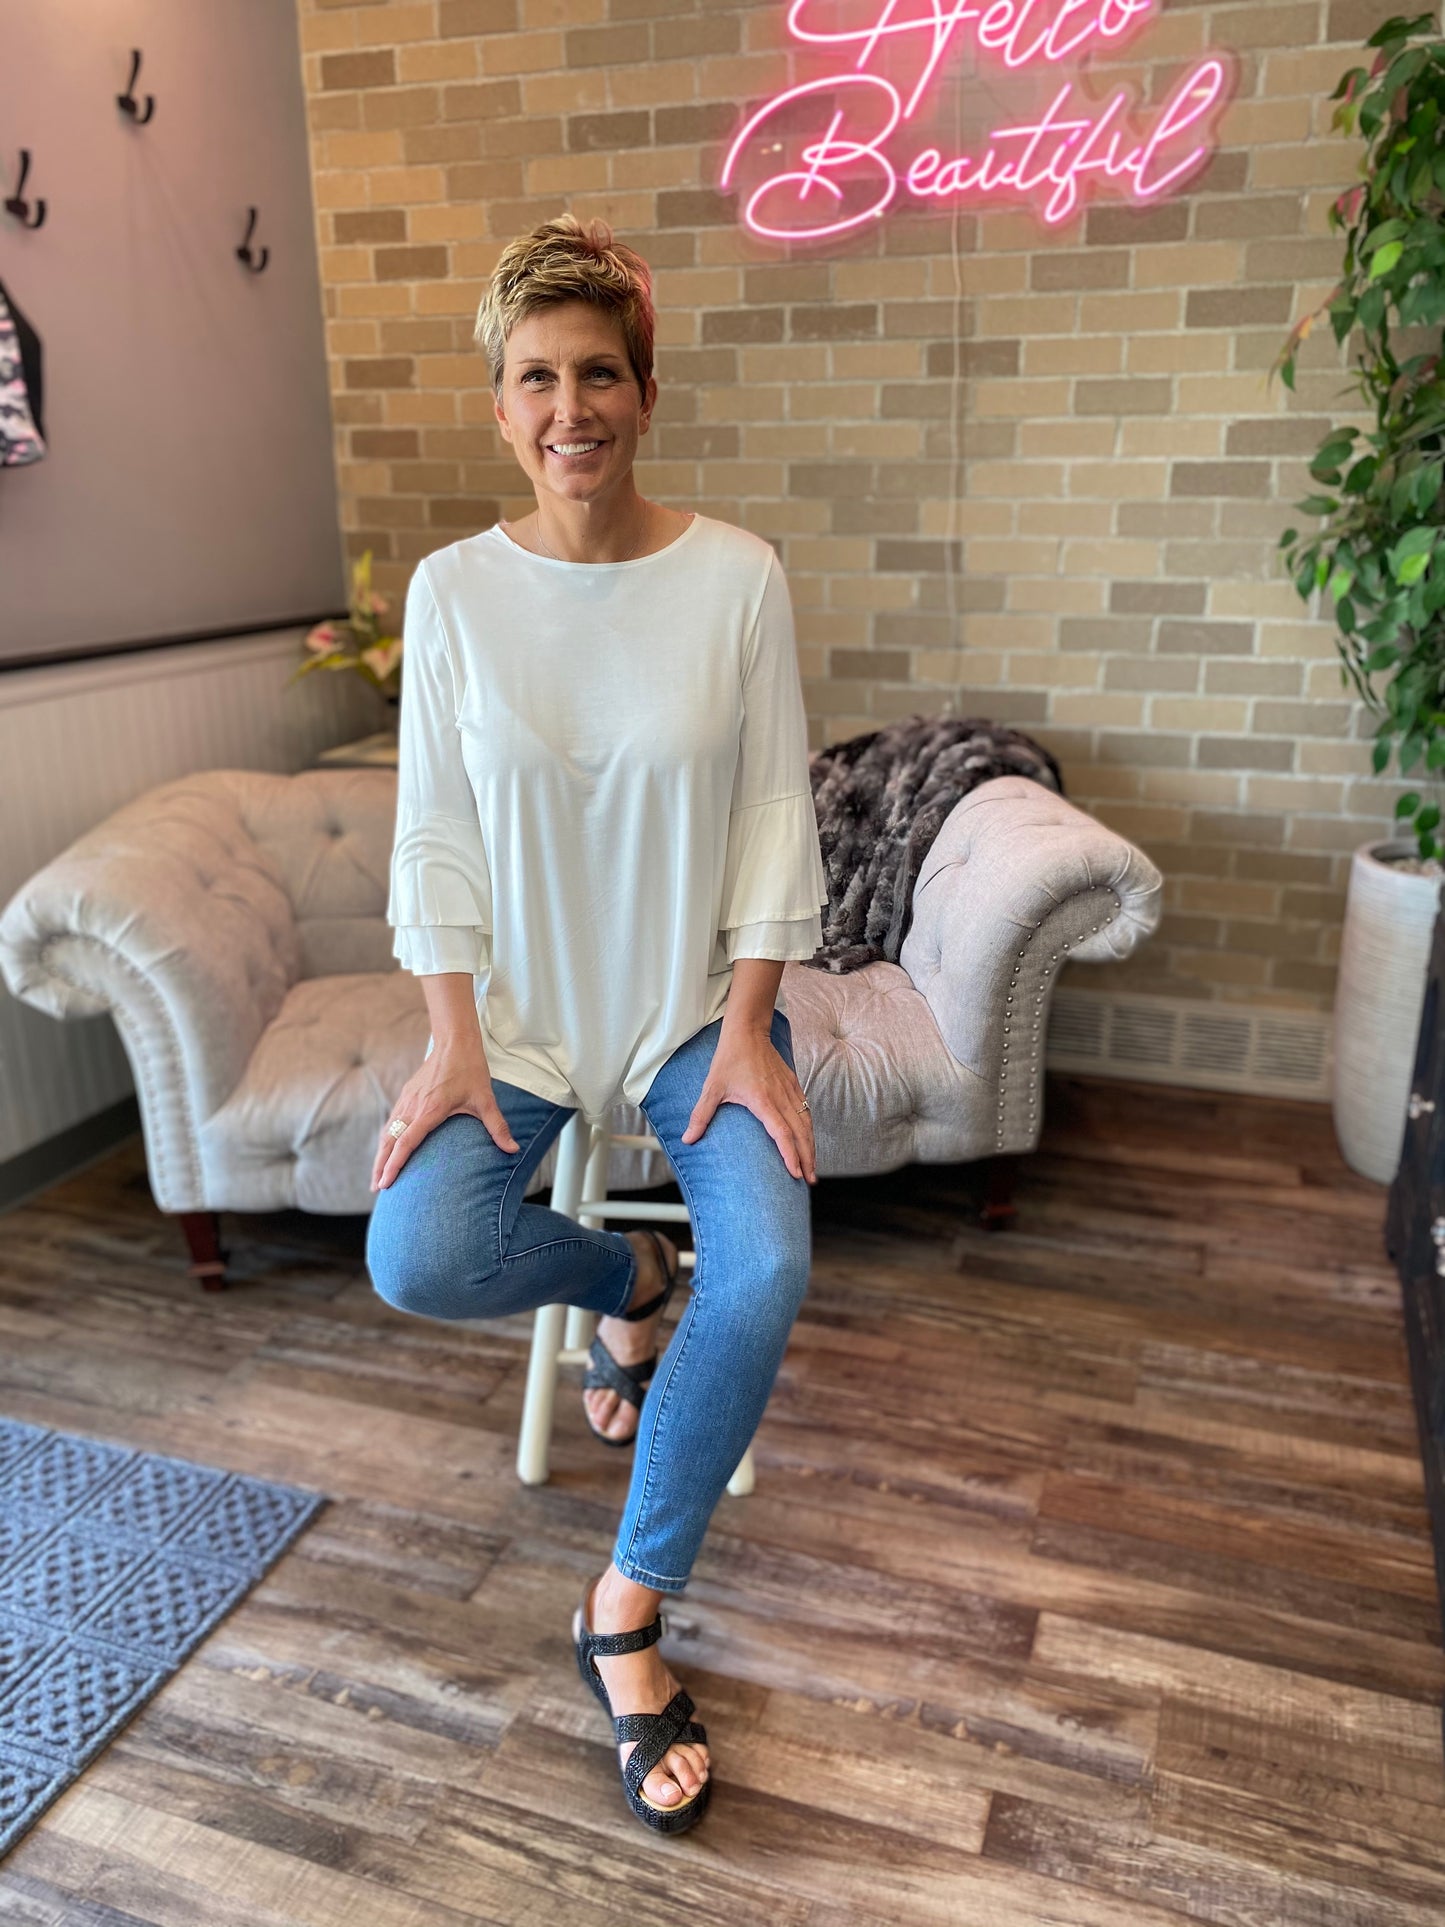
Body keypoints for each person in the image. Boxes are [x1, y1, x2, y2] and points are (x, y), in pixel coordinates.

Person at [364, 213, 828, 1835]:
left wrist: (754, 1025)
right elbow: (432, 832)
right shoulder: (452, 592)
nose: (572, 408)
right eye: (537, 378)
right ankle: (626, 1280)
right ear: (500, 406)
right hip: (520, 1013)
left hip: (695, 1006)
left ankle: (624, 1607)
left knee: (764, 1266)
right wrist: (449, 1038)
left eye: (600, 374)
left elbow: (772, 815)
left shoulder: (737, 577)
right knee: (419, 1253)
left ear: (646, 392)